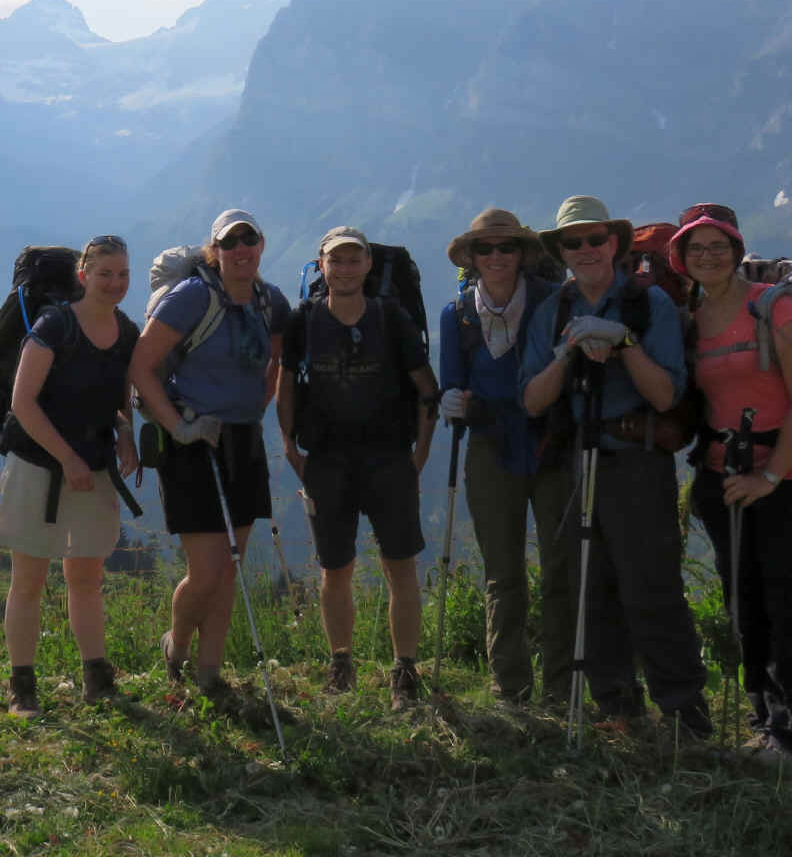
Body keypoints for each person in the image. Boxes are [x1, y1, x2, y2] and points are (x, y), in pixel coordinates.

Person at [519, 195, 711, 738]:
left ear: (615, 244)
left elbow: (666, 392)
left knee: (650, 586)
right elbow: (532, 401)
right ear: (558, 251)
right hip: (575, 459)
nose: (584, 250)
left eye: (594, 239)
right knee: (591, 587)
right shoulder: (551, 313)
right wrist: (567, 353)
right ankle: (617, 707)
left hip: (635, 461)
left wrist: (623, 342)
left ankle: (683, 712)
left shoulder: (650, 308)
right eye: (572, 242)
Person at [670, 202, 792, 763]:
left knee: (791, 600)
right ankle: (766, 720)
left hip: (790, 480)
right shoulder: (692, 316)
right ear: (682, 259)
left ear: (738, 252)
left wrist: (770, 475)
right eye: (696, 248)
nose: (708, 256)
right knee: (744, 602)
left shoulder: (774, 307)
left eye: (719, 246)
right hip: (723, 480)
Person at [130, 209, 291, 702]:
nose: (241, 250)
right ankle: (175, 646)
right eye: (230, 243)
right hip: (192, 443)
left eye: (249, 240)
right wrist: (179, 426)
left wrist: (252, 412)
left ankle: (209, 673)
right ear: (215, 251)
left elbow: (276, 364)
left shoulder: (271, 302)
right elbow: (140, 365)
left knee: (231, 566)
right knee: (207, 570)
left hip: (240, 439)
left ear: (261, 244)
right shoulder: (193, 297)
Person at [276, 226, 437, 709]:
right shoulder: (303, 319)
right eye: (336, 260)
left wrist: (420, 454)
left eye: (354, 260)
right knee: (334, 568)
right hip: (326, 459)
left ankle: (404, 670)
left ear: (368, 264)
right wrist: (288, 446)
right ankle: (341, 663)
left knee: (399, 567)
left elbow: (426, 387)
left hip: (389, 457)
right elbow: (285, 384)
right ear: (321, 265)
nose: (345, 268)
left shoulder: (392, 317)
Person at [0, 235, 141, 718]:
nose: (115, 283)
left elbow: (121, 399)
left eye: (122, 274)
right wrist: (68, 459)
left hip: (93, 467)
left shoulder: (126, 332)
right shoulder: (53, 325)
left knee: (87, 578)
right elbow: (23, 403)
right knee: (29, 581)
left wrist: (125, 434)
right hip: (38, 467)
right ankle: (22, 686)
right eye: (105, 274)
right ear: (83, 276)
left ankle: (97, 679)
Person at [436, 208, 574, 706]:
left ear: (523, 254)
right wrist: (450, 400)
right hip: (491, 446)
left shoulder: (553, 303)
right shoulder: (457, 315)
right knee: (503, 572)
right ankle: (510, 686)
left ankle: (562, 686)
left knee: (562, 567)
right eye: (486, 249)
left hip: (551, 444)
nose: (496, 257)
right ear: (472, 258)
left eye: (506, 248)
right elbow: (452, 380)